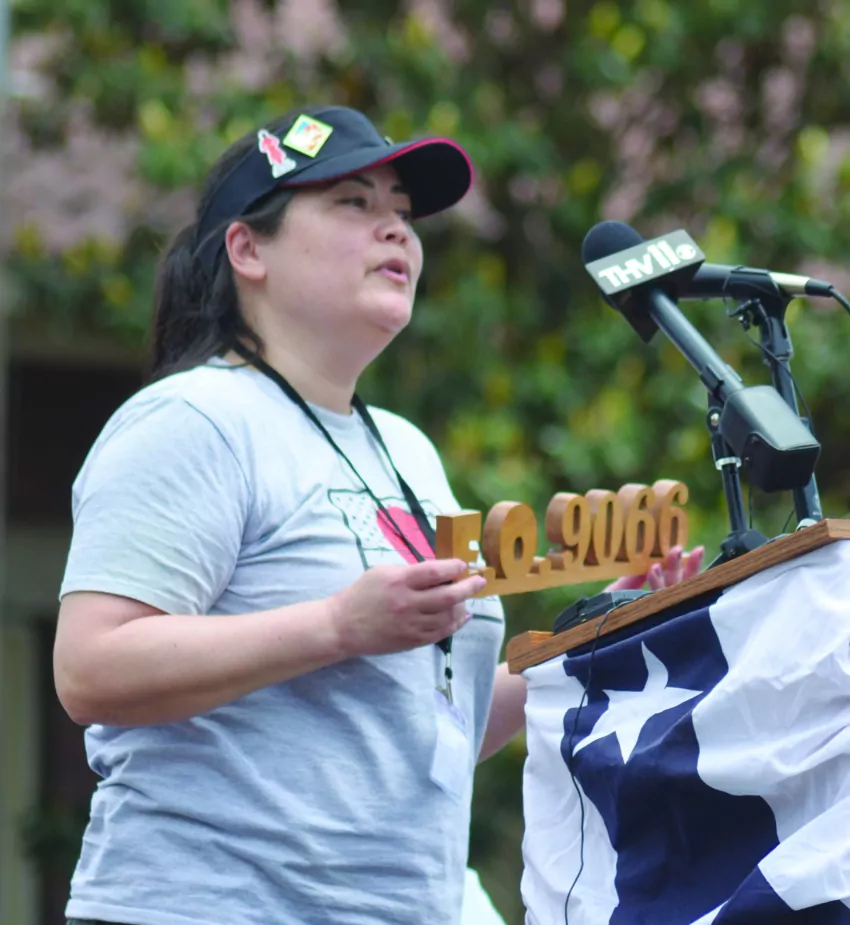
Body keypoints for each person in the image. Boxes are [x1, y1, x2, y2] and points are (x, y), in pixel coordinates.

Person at [54, 104, 703, 925]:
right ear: (248, 250)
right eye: (354, 203)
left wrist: (605, 630)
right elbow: (90, 669)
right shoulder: (196, 419)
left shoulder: (405, 448)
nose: (396, 230)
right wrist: (336, 625)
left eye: (402, 212)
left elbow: (442, 720)